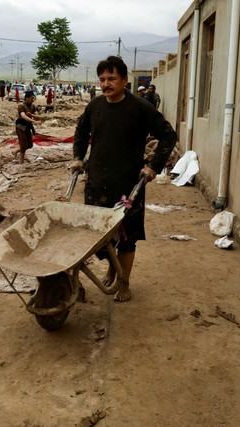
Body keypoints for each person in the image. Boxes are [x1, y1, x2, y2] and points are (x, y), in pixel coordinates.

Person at [70, 56, 176, 302]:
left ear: (125, 80)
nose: (106, 84)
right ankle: (111, 267)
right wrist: (78, 157)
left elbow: (168, 135)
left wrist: (153, 166)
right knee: (100, 237)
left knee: (127, 238)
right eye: (102, 79)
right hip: (96, 183)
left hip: (129, 187)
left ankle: (125, 283)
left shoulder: (140, 108)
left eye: (112, 79)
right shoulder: (95, 106)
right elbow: (81, 130)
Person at [14, 90, 42, 164]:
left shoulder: (33, 106)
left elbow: (38, 117)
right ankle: (21, 161)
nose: (33, 100)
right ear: (27, 98)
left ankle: (15, 151)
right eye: (31, 98)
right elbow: (23, 116)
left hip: (28, 127)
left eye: (33, 98)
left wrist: (32, 116)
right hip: (20, 127)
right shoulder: (21, 106)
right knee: (23, 145)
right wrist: (34, 121)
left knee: (30, 145)